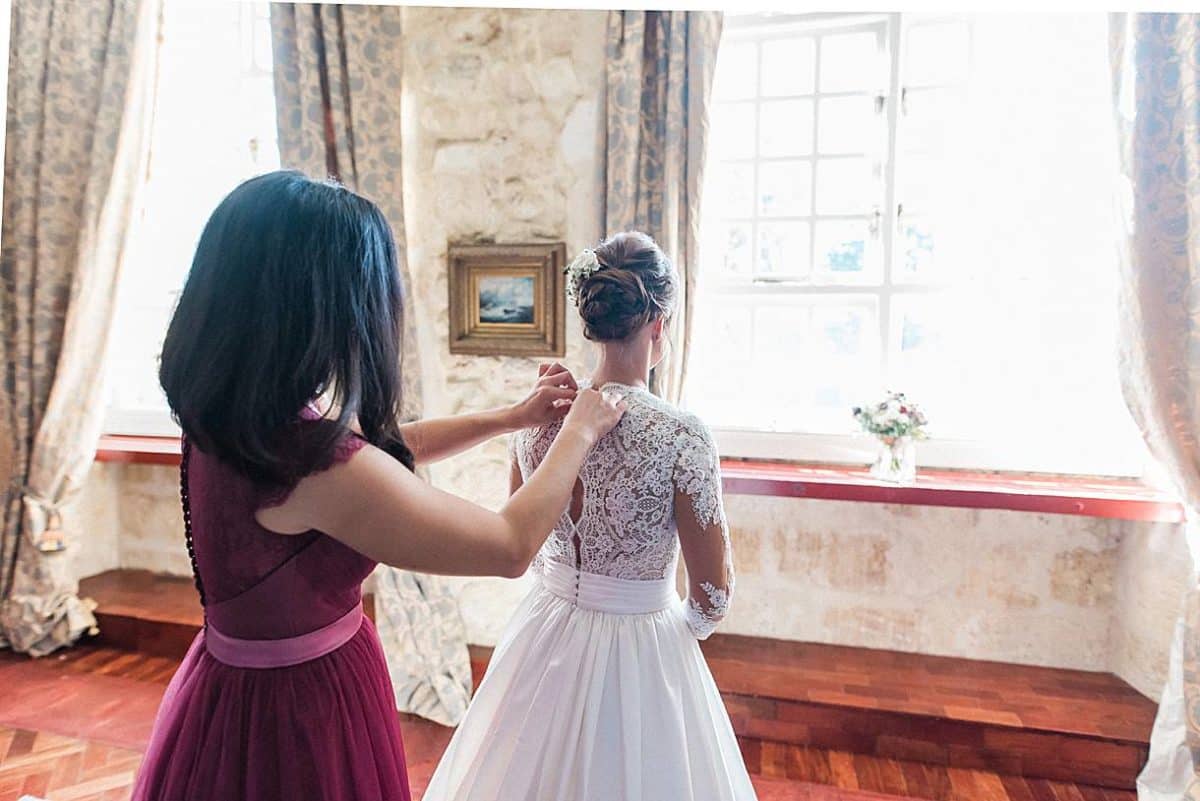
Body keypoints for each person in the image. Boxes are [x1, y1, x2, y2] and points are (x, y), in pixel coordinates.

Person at [131, 170, 625, 801]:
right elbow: (507, 545)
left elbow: (382, 457)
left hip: (228, 686)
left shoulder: (229, 417)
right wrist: (578, 433)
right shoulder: (315, 464)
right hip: (300, 712)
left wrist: (512, 417)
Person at [423, 231, 757, 801]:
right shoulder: (682, 435)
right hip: (642, 648)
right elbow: (713, 596)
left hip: (544, 630)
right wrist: (665, 636)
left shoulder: (543, 411)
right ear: (659, 323)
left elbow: (523, 537)